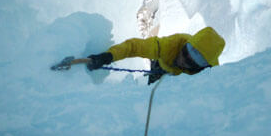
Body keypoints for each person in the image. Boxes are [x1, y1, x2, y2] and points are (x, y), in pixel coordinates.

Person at [86, 27, 225, 83]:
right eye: (186, 52)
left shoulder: (209, 76)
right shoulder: (172, 44)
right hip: (161, 67)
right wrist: (109, 56)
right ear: (185, 44)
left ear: (203, 66)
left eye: (193, 61)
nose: (184, 60)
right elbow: (135, 47)